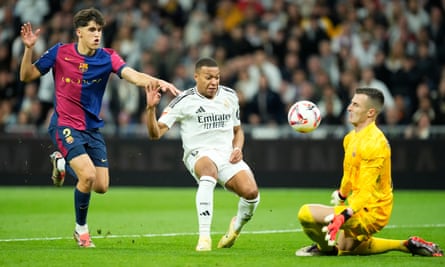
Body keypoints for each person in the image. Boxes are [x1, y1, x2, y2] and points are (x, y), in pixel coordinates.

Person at [19, 8, 179, 248]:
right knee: (87, 175)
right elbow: (26, 76)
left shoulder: (107, 57)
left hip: (92, 129)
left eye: (100, 30)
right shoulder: (60, 52)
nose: (97, 34)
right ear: (79, 32)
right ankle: (81, 231)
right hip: (65, 124)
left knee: (101, 186)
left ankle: (61, 163)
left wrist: (158, 82)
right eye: (92, 29)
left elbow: (132, 75)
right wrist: (29, 48)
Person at [295, 87, 443, 257]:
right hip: (359, 204)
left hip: (372, 211)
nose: (349, 108)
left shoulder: (375, 143)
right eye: (351, 103)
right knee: (347, 247)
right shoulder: (350, 138)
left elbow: (367, 189)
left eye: (356, 105)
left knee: (305, 214)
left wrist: (346, 213)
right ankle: (406, 245)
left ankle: (324, 249)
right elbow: (349, 173)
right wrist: (342, 195)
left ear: (370, 112)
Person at [145, 57, 260, 252]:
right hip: (198, 154)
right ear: (196, 77)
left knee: (251, 194)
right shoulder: (183, 101)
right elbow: (155, 133)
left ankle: (235, 228)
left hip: (226, 154)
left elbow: (238, 131)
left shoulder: (230, 96)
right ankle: (204, 238)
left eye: (217, 77)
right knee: (208, 172)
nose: (214, 82)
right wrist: (150, 108)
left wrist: (238, 148)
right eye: (209, 77)